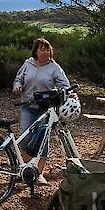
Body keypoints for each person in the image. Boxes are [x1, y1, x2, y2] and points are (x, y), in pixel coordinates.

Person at [13, 37, 72, 184]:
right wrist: (17, 85)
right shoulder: (27, 64)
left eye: (47, 49)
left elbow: (65, 85)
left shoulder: (54, 67)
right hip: (27, 106)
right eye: (41, 49)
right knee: (25, 137)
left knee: (42, 140)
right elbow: (18, 78)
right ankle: (27, 169)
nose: (44, 51)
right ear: (36, 51)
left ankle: (39, 173)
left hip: (45, 109)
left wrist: (69, 94)